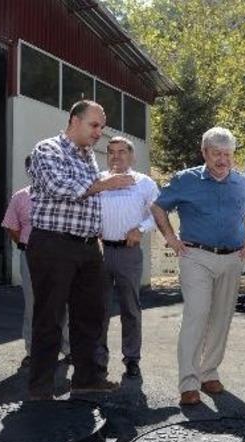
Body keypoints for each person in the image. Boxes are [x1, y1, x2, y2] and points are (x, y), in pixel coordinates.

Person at [26, 100, 135, 399]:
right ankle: (40, 387)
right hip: (53, 244)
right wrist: (103, 184)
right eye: (94, 125)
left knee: (90, 315)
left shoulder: (88, 156)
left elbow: (87, 198)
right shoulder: (48, 149)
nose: (99, 132)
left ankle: (87, 378)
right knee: (50, 317)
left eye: (101, 126)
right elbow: (60, 187)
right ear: (74, 120)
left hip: (87, 247)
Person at [151, 127, 245, 406]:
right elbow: (159, 207)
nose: (222, 160)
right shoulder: (186, 180)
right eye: (216, 153)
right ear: (204, 153)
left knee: (222, 318)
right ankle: (188, 382)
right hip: (196, 256)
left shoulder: (244, 183)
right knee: (197, 315)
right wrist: (170, 238)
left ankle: (209, 372)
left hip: (233, 259)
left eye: (228, 154)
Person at [97, 136, 159, 379]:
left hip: (128, 253)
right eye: (111, 152)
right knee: (98, 309)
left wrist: (140, 229)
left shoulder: (144, 183)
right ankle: (98, 359)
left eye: (122, 152)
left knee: (130, 308)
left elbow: (157, 215)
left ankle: (132, 359)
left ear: (132, 156)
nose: (116, 156)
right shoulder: (99, 181)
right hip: (99, 252)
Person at [0, 156, 70, 369]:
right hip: (31, 256)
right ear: (29, 170)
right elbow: (12, 227)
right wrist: (29, 244)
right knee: (33, 305)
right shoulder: (20, 197)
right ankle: (33, 351)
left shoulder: (64, 196)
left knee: (63, 304)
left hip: (60, 257)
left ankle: (68, 349)